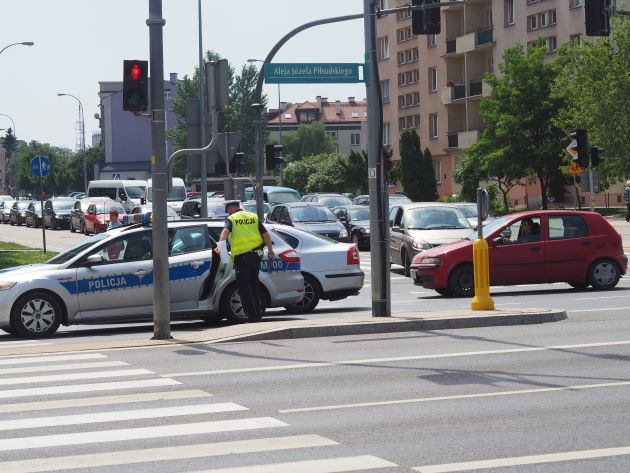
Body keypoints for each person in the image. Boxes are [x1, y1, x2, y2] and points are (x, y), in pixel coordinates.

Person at [218, 200, 274, 323]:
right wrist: (270, 251)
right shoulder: (253, 216)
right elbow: (266, 235)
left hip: (242, 258)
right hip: (256, 256)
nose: (228, 214)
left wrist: (220, 247)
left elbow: (224, 232)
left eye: (228, 211)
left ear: (232, 209)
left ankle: (252, 316)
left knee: (245, 287)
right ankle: (258, 314)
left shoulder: (232, 219)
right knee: (254, 285)